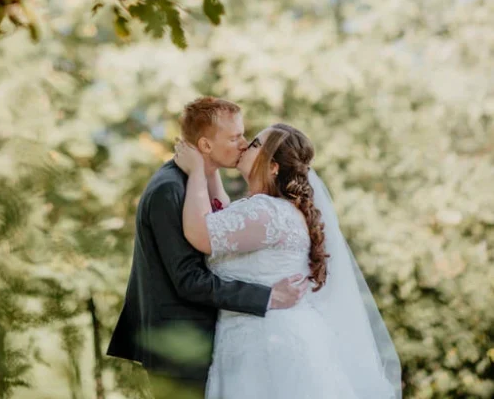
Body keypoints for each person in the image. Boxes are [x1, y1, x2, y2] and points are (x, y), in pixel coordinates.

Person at [175, 122, 402, 399]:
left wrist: (197, 171)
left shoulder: (267, 212)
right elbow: (221, 214)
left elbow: (203, 234)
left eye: (256, 144)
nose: (245, 144)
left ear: (273, 167)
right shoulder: (271, 209)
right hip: (265, 341)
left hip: (268, 350)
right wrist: (210, 169)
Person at [106, 99, 308, 399]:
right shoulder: (169, 189)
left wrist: (205, 173)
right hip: (178, 347)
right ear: (205, 145)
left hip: (211, 342)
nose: (242, 144)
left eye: (244, 137)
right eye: (234, 137)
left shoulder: (196, 184)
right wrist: (266, 296)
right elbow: (188, 279)